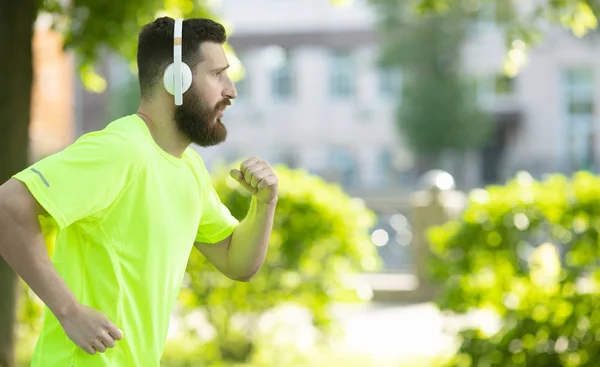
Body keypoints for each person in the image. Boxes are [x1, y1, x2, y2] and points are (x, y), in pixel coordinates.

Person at [0, 16, 278, 367]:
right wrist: (69, 311)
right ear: (177, 80)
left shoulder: (188, 169)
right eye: (217, 74)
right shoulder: (119, 150)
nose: (231, 90)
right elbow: (8, 207)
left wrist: (264, 204)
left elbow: (237, 261)